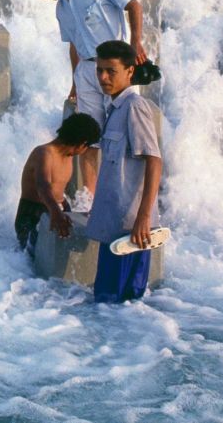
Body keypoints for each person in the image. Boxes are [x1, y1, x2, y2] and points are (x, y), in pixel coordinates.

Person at [20, 0, 147, 195]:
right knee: (88, 138)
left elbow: (133, 5)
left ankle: (127, 198)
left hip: (114, 66)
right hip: (86, 72)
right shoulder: (61, 9)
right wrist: (74, 83)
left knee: (122, 133)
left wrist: (135, 45)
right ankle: (90, 199)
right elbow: (73, 45)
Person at [87, 40, 162, 304]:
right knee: (112, 306)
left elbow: (154, 160)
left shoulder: (134, 107)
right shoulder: (114, 108)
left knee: (119, 302)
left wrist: (143, 217)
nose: (103, 77)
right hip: (114, 224)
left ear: (130, 72)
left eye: (111, 71)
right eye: (99, 71)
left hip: (130, 229)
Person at [16, 113, 101, 254]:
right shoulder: (44, 153)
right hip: (33, 213)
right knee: (31, 256)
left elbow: (59, 190)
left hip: (59, 208)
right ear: (82, 143)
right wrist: (55, 212)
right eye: (87, 146)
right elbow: (42, 186)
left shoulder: (68, 157)